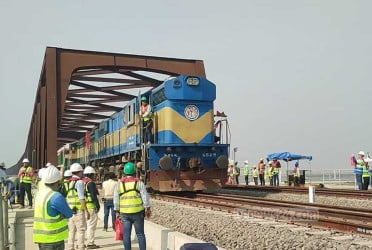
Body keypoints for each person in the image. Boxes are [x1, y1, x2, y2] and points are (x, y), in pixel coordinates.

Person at [33, 165, 73, 250]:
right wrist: (62, 214)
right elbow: (69, 213)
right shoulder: (56, 196)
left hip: (41, 239)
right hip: (54, 240)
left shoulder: (39, 194)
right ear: (58, 181)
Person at [114, 162, 151, 250]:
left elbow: (116, 200)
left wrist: (117, 211)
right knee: (140, 234)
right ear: (135, 172)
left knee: (126, 234)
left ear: (124, 173)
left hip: (124, 213)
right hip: (138, 212)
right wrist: (148, 208)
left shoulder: (119, 184)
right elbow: (145, 197)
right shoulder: (139, 183)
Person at [66, 163, 90, 250]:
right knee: (81, 231)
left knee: (71, 231)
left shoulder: (68, 182)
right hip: (78, 211)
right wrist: (86, 210)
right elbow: (81, 198)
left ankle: (70, 247)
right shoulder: (79, 182)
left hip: (69, 211)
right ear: (79, 172)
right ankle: (81, 247)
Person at [83, 166, 100, 249]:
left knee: (87, 225)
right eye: (93, 174)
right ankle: (90, 243)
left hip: (85, 206)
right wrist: (97, 205)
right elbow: (94, 196)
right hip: (91, 206)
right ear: (91, 174)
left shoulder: (83, 182)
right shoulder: (91, 183)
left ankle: (86, 242)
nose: (94, 176)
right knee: (91, 225)